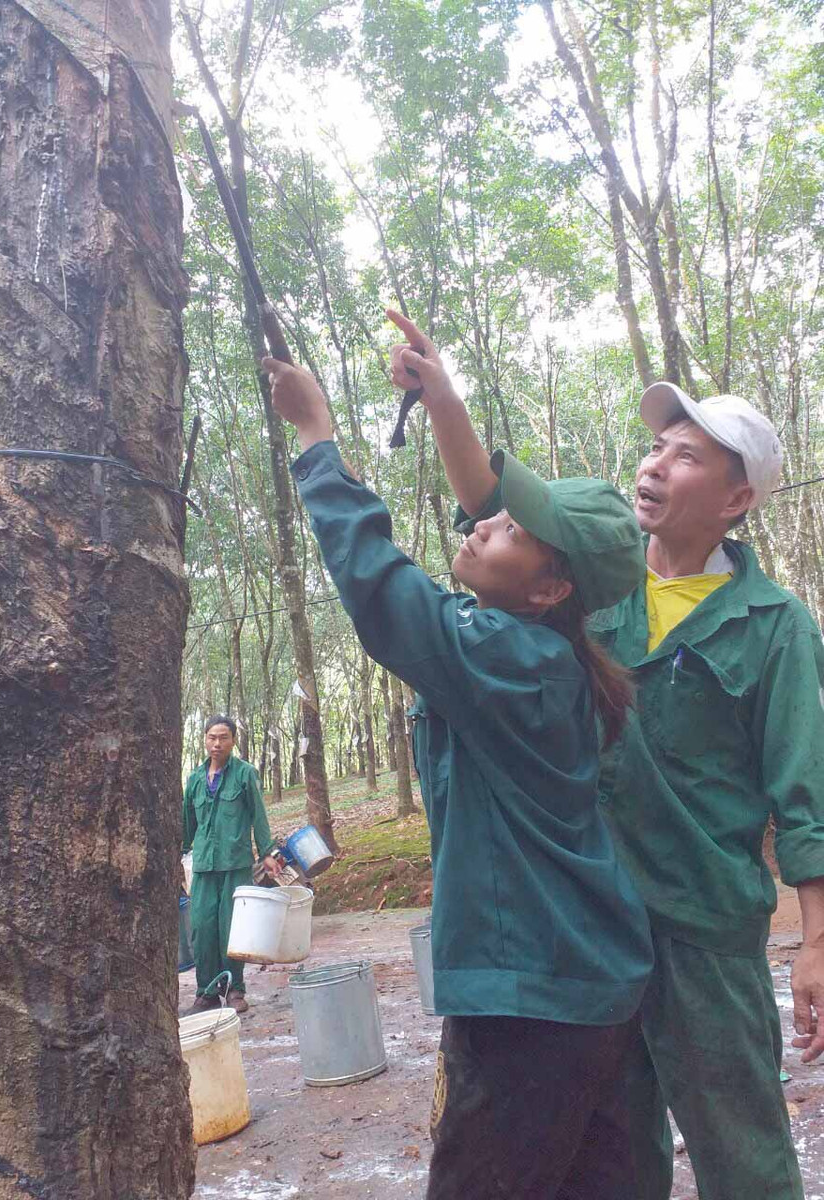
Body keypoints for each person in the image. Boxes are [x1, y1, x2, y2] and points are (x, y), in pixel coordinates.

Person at [262, 317, 654, 1200]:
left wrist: (318, 440)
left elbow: (382, 590)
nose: (485, 525)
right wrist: (442, 398)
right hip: (582, 990)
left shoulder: (510, 662)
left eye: (512, 529)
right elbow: (468, 535)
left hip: (531, 1006)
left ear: (551, 589)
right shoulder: (534, 652)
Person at [585, 382, 824, 1200]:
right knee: (612, 1157)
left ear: (738, 498)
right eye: (656, 447)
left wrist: (815, 945)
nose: (653, 464)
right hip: (595, 927)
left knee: (746, 1161)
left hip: (707, 933)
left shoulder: (775, 626)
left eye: (686, 455)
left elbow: (806, 795)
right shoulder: (594, 587)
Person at [182, 715, 281, 1016]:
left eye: (223, 737)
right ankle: (208, 992)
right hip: (204, 866)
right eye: (212, 737)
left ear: (233, 740)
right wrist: (181, 852)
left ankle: (236, 988)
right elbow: (188, 821)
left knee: (233, 929)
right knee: (201, 927)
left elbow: (258, 814)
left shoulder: (244, 774)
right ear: (204, 739)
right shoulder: (195, 779)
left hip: (235, 863)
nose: (217, 743)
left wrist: (267, 851)